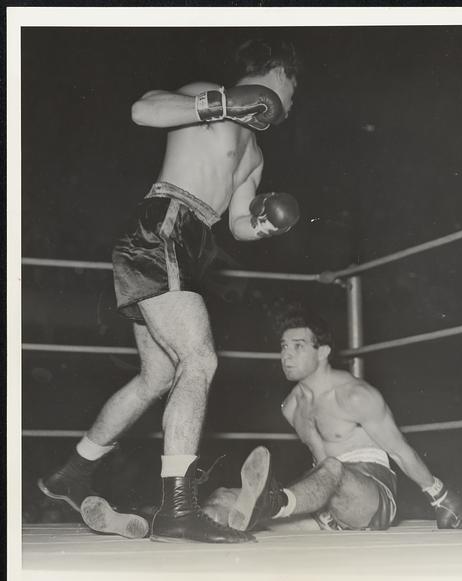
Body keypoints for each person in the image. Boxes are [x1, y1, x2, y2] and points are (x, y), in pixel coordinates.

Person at [38, 38, 301, 544]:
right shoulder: (209, 95)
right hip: (165, 225)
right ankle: (177, 507)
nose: (294, 102)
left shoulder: (257, 154)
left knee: (158, 375)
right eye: (295, 89)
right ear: (278, 74)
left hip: (191, 242)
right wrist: (221, 103)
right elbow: (143, 109)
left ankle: (72, 471)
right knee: (198, 361)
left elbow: (239, 222)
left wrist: (267, 222)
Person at [204, 307, 462, 533]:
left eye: (298, 347)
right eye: (284, 347)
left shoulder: (355, 396)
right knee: (221, 501)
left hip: (371, 498)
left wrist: (441, 497)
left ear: (323, 352)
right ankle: (246, 509)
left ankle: (273, 503)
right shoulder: (291, 407)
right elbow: (320, 463)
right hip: (326, 501)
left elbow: (400, 452)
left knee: (334, 469)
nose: (286, 355)